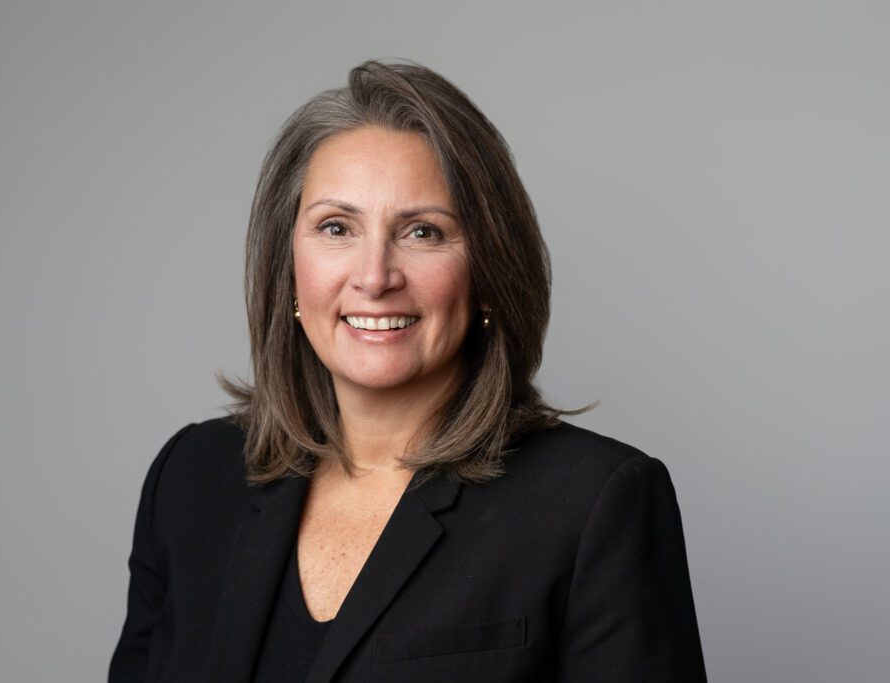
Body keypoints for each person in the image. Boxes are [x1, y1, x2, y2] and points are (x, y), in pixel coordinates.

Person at [108, 59, 707, 682]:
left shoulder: (594, 504)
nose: (374, 277)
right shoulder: (190, 479)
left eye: (422, 231)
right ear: (288, 269)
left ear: (489, 275)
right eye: (336, 227)